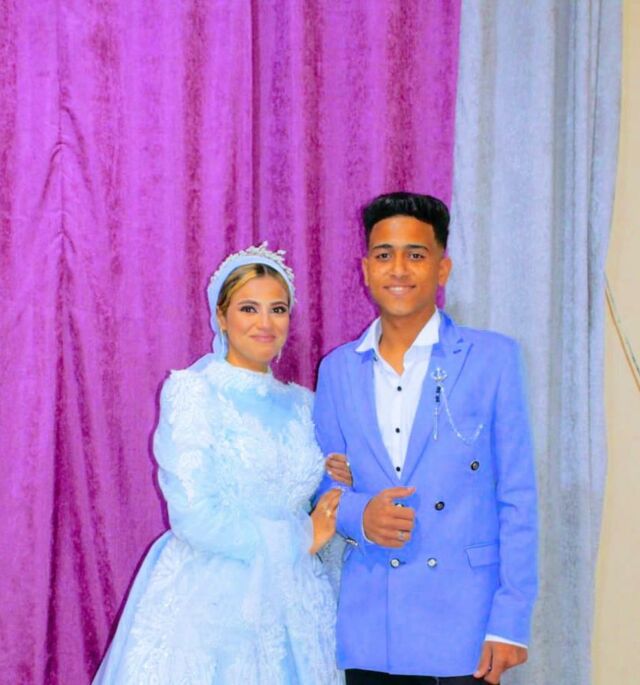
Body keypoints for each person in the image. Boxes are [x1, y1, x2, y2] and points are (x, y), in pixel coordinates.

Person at [93, 243, 344, 684]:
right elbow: (194, 516)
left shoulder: (306, 405)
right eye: (249, 308)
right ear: (222, 316)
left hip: (300, 602)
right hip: (214, 605)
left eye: (278, 309)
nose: (265, 323)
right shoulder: (194, 392)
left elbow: (320, 493)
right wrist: (300, 539)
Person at [313, 192, 538, 684]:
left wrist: (511, 620)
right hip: (374, 623)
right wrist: (359, 515)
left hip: (466, 622)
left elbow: (517, 496)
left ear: (442, 268)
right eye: (384, 255)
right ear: (365, 269)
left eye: (416, 254)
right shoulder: (337, 370)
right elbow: (321, 482)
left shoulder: (493, 359)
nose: (398, 269)